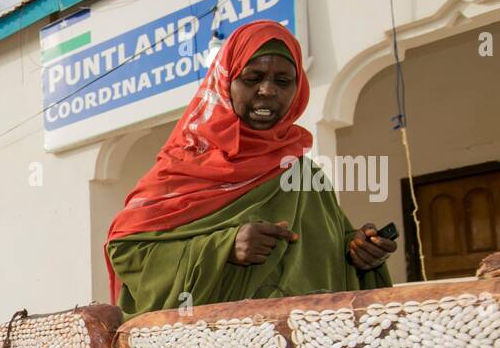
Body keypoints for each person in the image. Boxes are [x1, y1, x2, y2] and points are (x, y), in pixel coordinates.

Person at [105, 20, 396, 319]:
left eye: (283, 81)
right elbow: (127, 253)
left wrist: (359, 252)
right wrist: (224, 248)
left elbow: (327, 255)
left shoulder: (305, 175)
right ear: (225, 83)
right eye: (252, 78)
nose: (268, 91)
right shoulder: (183, 167)